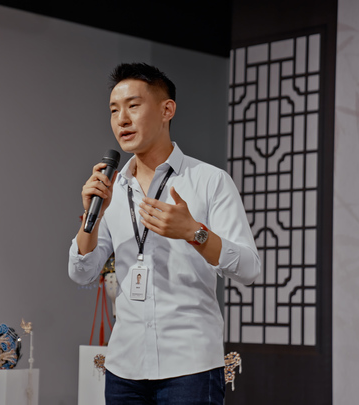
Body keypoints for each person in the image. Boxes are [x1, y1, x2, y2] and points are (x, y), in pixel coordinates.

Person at [68, 63, 260, 404]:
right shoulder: (112, 189)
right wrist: (92, 216)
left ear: (166, 110)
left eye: (133, 106)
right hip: (124, 369)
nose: (122, 119)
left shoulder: (210, 180)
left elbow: (248, 269)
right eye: (114, 110)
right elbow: (81, 272)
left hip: (190, 366)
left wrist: (194, 232)